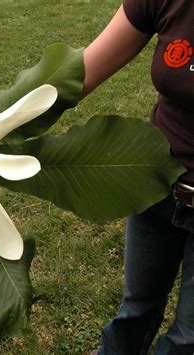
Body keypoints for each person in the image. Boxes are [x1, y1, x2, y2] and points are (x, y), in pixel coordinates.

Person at [82, 0, 194, 354]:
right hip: (155, 186)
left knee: (188, 339)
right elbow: (80, 74)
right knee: (134, 313)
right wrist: (0, 125)